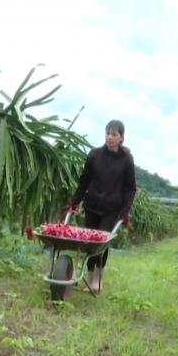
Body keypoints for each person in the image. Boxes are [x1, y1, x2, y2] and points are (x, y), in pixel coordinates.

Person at [64, 119, 136, 293]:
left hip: (111, 208)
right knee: (89, 242)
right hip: (92, 204)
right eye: (107, 133)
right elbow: (84, 181)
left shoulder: (126, 159)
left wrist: (125, 210)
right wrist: (75, 201)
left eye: (114, 134)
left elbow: (129, 187)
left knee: (101, 243)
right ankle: (89, 278)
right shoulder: (95, 155)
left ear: (121, 137)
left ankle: (98, 279)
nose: (110, 137)